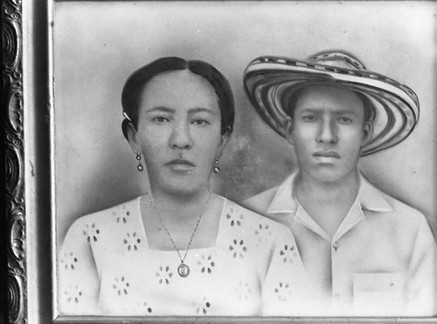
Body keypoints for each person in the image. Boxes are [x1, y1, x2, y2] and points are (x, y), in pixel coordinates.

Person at [58, 57, 310, 316]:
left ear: (222, 140)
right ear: (134, 137)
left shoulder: (270, 242)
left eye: (199, 121)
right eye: (161, 119)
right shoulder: (90, 239)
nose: (180, 140)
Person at [243, 50, 437, 316]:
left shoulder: (411, 230)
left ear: (365, 133)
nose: (327, 136)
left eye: (344, 120)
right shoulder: (246, 222)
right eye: (311, 118)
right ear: (290, 130)